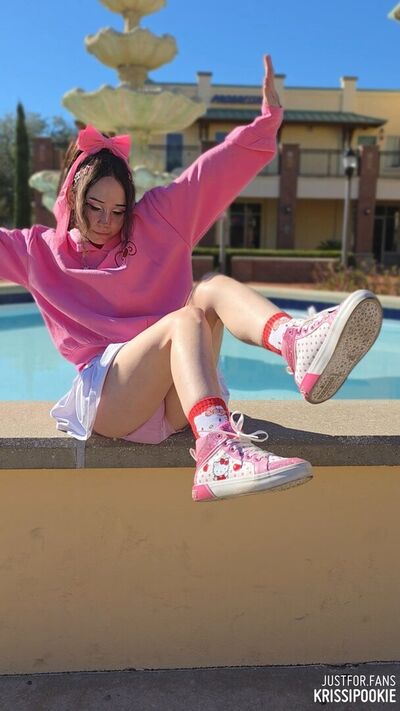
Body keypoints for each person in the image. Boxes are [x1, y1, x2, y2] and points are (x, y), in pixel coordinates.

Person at [0, 56, 382, 502]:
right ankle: (216, 449)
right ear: (72, 197)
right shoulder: (38, 251)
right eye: (94, 207)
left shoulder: (157, 220)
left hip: (175, 397)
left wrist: (266, 122)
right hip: (112, 400)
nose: (106, 221)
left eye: (119, 210)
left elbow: (212, 173)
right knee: (184, 319)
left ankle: (297, 343)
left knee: (211, 289)